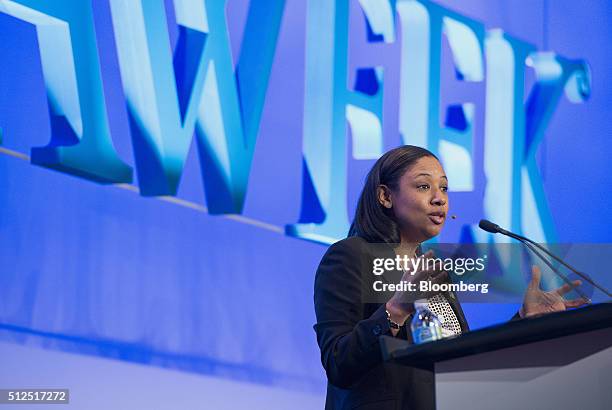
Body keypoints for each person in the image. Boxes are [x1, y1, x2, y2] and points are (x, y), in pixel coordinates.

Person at [313, 145, 588, 410]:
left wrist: (524, 320)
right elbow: (339, 363)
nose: (439, 198)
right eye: (424, 186)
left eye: (444, 187)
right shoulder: (350, 256)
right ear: (385, 196)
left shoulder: (435, 273)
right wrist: (395, 309)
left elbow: (463, 362)